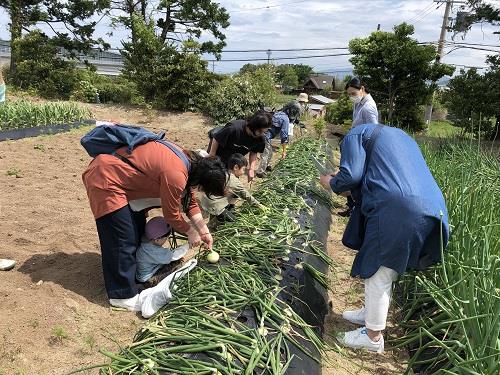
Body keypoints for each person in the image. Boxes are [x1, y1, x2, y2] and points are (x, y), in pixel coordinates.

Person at [319, 124, 449, 353]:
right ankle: (369, 314)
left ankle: (373, 337)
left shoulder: (354, 135)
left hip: (399, 207)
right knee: (390, 265)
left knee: (380, 269)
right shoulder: (400, 135)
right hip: (431, 205)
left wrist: (331, 182)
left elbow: (351, 176)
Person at [82, 140, 227, 311]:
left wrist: (203, 230)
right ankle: (121, 295)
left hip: (125, 183)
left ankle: (131, 275)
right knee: (122, 239)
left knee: (135, 232)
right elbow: (172, 215)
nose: (199, 191)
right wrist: (190, 232)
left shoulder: (192, 163)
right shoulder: (177, 173)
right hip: (106, 181)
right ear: (201, 181)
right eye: (202, 188)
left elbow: (189, 201)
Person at [208, 110, 272, 182]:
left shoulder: (260, 138)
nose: (262, 134)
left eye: (264, 132)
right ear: (254, 126)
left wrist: (251, 169)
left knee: (231, 182)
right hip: (219, 153)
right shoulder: (234, 128)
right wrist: (212, 155)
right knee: (214, 178)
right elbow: (216, 139)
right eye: (260, 131)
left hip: (234, 159)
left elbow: (254, 152)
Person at [200, 153, 266, 222]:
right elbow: (245, 194)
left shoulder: (224, 173)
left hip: (207, 201)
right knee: (235, 222)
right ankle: (213, 225)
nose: (244, 172)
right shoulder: (234, 181)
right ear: (236, 167)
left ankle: (214, 222)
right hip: (215, 205)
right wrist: (258, 205)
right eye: (243, 169)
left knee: (217, 215)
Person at [135, 216, 189, 285]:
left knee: (174, 262)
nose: (166, 239)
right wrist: (189, 245)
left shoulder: (146, 242)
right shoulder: (151, 250)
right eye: (166, 238)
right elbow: (174, 255)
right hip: (148, 280)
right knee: (178, 265)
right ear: (157, 240)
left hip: (145, 274)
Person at [256, 103, 301, 178]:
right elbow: (284, 136)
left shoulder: (279, 113)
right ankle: (260, 172)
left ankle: (265, 166)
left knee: (269, 153)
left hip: (264, 135)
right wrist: (284, 151)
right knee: (266, 154)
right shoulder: (285, 119)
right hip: (264, 136)